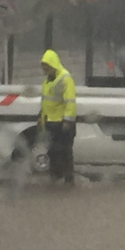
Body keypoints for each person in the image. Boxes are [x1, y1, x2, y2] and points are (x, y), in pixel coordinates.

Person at [39, 50, 77, 185]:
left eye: (47, 67)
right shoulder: (47, 81)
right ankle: (56, 178)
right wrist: (41, 117)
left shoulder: (65, 78)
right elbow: (45, 102)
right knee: (52, 152)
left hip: (63, 123)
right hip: (51, 122)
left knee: (65, 152)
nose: (45, 70)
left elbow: (70, 101)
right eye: (44, 68)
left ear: (53, 65)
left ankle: (68, 179)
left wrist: (67, 120)